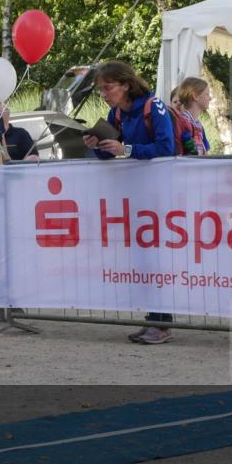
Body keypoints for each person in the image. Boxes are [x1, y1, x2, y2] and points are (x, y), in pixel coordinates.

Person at [82, 61, 175, 345]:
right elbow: (111, 154)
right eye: (101, 89)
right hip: (137, 196)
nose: (104, 93)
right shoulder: (116, 113)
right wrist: (96, 145)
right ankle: (155, 319)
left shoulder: (154, 106)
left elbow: (166, 147)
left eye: (108, 88)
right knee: (144, 258)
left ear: (125, 85)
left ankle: (163, 322)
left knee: (157, 257)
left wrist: (128, 149)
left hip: (161, 194)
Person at [172, 77, 210, 155]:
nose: (210, 98)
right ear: (195, 96)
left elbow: (205, 153)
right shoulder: (180, 123)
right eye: (207, 94)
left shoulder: (198, 125)